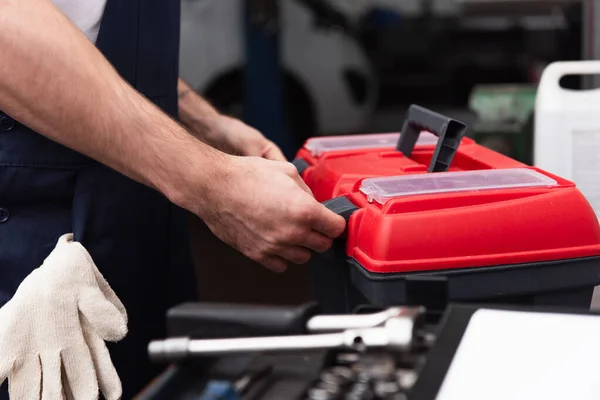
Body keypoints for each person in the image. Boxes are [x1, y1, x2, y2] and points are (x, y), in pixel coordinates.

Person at [0, 0, 346, 398]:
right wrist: (214, 183)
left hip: (142, 220)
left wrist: (204, 121)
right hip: (37, 251)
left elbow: (109, 38)